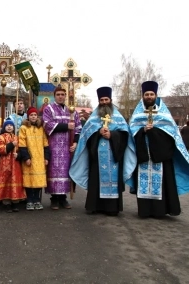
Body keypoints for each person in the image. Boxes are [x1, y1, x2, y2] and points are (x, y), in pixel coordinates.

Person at [69, 87, 136, 216]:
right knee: (96, 179)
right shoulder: (93, 118)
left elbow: (125, 136)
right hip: (97, 157)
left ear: (111, 100)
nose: (104, 102)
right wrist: (97, 133)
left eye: (106, 99)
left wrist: (112, 135)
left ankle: (112, 208)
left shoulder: (118, 117)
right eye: (102, 100)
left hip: (114, 156)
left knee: (113, 179)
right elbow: (85, 138)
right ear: (99, 101)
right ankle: (95, 206)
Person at [128, 81, 189, 218]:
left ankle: (160, 211)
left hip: (160, 157)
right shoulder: (137, 115)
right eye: (146, 94)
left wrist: (155, 132)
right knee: (143, 183)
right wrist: (143, 130)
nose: (149, 96)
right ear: (143, 96)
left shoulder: (164, 114)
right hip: (143, 156)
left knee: (162, 184)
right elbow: (131, 134)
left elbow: (172, 134)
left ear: (156, 95)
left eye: (151, 94)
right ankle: (144, 211)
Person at [43, 86, 81, 210]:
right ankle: (54, 198)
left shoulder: (72, 111)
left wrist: (75, 143)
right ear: (54, 96)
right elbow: (47, 125)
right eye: (58, 94)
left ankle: (63, 198)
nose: (60, 96)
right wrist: (66, 126)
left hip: (67, 147)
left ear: (65, 96)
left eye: (62, 94)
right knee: (54, 172)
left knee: (66, 172)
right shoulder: (49, 108)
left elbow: (78, 128)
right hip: (54, 146)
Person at [19, 107, 50, 210]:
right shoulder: (24, 128)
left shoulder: (41, 128)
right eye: (31, 115)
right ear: (28, 116)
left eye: (35, 115)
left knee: (38, 180)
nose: (33, 117)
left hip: (40, 159)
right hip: (29, 159)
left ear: (37, 117)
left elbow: (46, 144)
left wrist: (46, 157)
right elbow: (22, 144)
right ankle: (29, 200)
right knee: (29, 180)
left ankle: (37, 200)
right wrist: (26, 157)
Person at [0, 120, 25, 212]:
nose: (9, 127)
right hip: (5, 164)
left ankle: (15, 202)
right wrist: (12, 144)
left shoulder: (17, 137)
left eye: (11, 125)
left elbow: (21, 149)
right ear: (4, 127)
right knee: (5, 181)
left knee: (15, 181)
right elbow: (0, 149)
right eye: (7, 125)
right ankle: (6, 203)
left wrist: (18, 155)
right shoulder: (1, 137)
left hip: (15, 164)